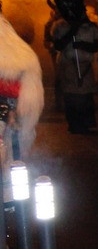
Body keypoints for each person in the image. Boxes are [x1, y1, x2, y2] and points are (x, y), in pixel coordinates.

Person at [0, 11, 45, 163]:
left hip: (8, 118)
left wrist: (13, 112)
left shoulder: (17, 52)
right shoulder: (21, 51)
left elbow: (24, 96)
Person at [52, 10, 98, 134]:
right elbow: (58, 45)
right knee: (71, 96)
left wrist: (81, 44)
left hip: (85, 66)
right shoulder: (60, 26)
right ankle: (74, 124)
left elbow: (96, 46)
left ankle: (85, 124)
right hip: (69, 65)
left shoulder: (90, 27)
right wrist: (71, 32)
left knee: (85, 96)